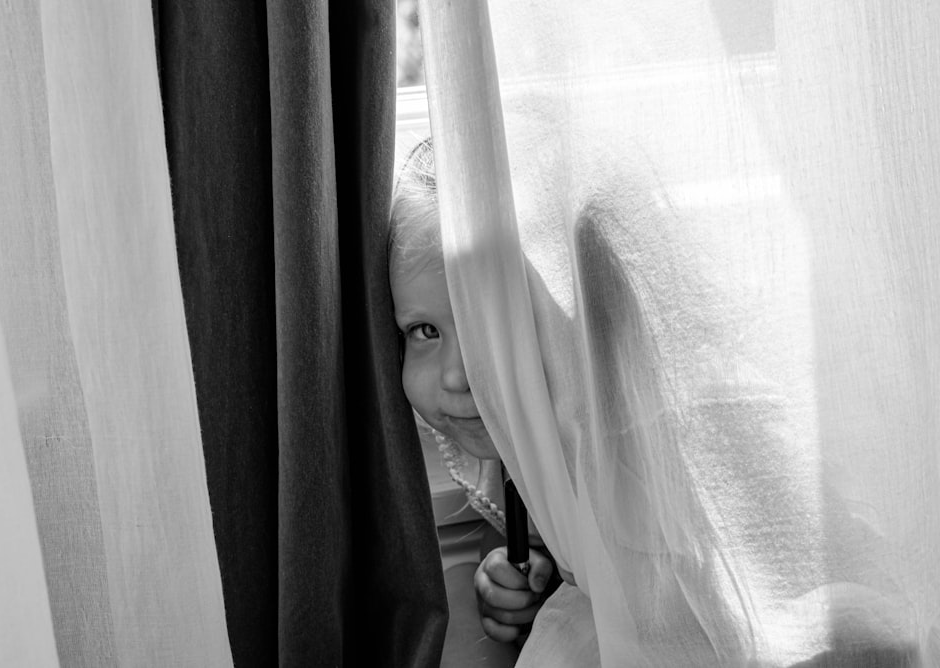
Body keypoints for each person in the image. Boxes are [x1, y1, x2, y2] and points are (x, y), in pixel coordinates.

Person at [390, 136, 924, 666]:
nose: (459, 376)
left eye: (492, 328)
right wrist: (507, 575)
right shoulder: (524, 438)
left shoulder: (687, 442)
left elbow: (834, 568)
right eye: (424, 331)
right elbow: (533, 526)